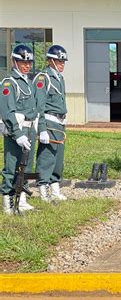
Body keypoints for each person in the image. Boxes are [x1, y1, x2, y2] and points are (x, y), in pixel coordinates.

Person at [0, 44, 38, 214]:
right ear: (15, 61)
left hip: (29, 130)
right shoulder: (9, 83)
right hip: (16, 132)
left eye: (29, 62)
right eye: (23, 62)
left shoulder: (29, 82)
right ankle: (7, 202)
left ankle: (21, 199)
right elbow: (8, 112)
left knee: (26, 167)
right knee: (11, 167)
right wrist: (18, 134)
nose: (27, 65)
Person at [34, 45, 69, 202]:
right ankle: (43, 188)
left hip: (59, 122)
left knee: (58, 158)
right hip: (48, 122)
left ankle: (55, 186)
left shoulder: (59, 78)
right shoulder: (44, 78)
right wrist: (41, 129)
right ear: (50, 61)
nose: (61, 64)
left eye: (63, 61)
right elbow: (39, 106)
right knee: (47, 157)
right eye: (58, 60)